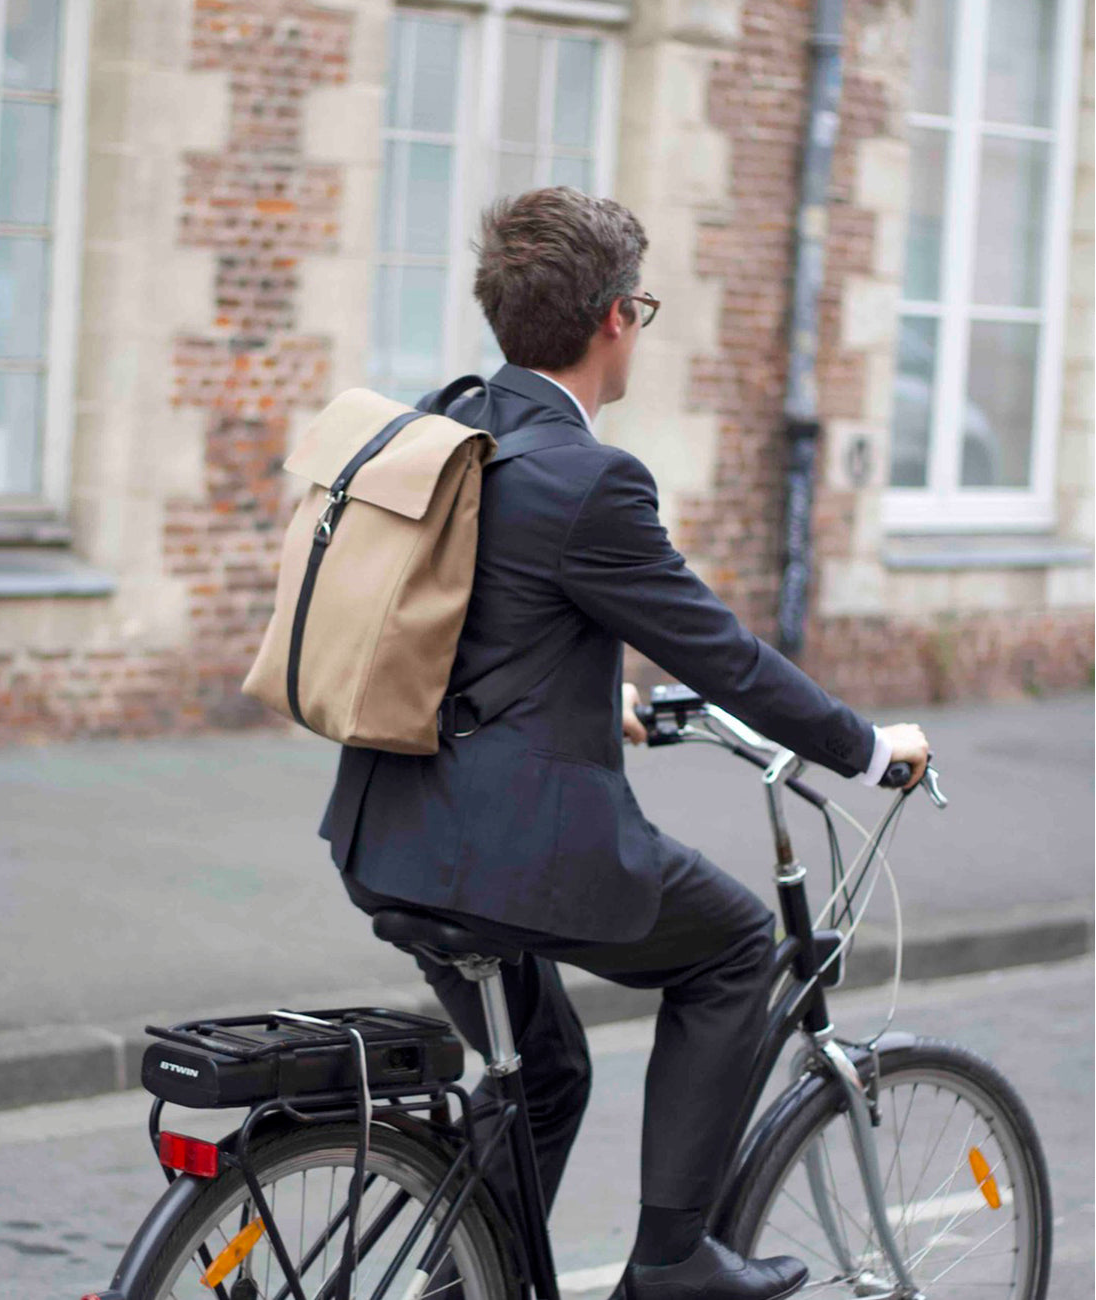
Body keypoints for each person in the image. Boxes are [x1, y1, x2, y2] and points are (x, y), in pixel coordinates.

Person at [318, 187, 929, 1300]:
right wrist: (865, 746)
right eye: (639, 306)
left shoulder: (449, 425)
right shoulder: (593, 479)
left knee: (546, 1074)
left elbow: (468, 622)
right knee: (737, 949)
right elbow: (724, 657)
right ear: (615, 318)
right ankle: (670, 1259)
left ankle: (469, 1284)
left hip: (385, 834)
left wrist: (601, 708)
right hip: (500, 853)